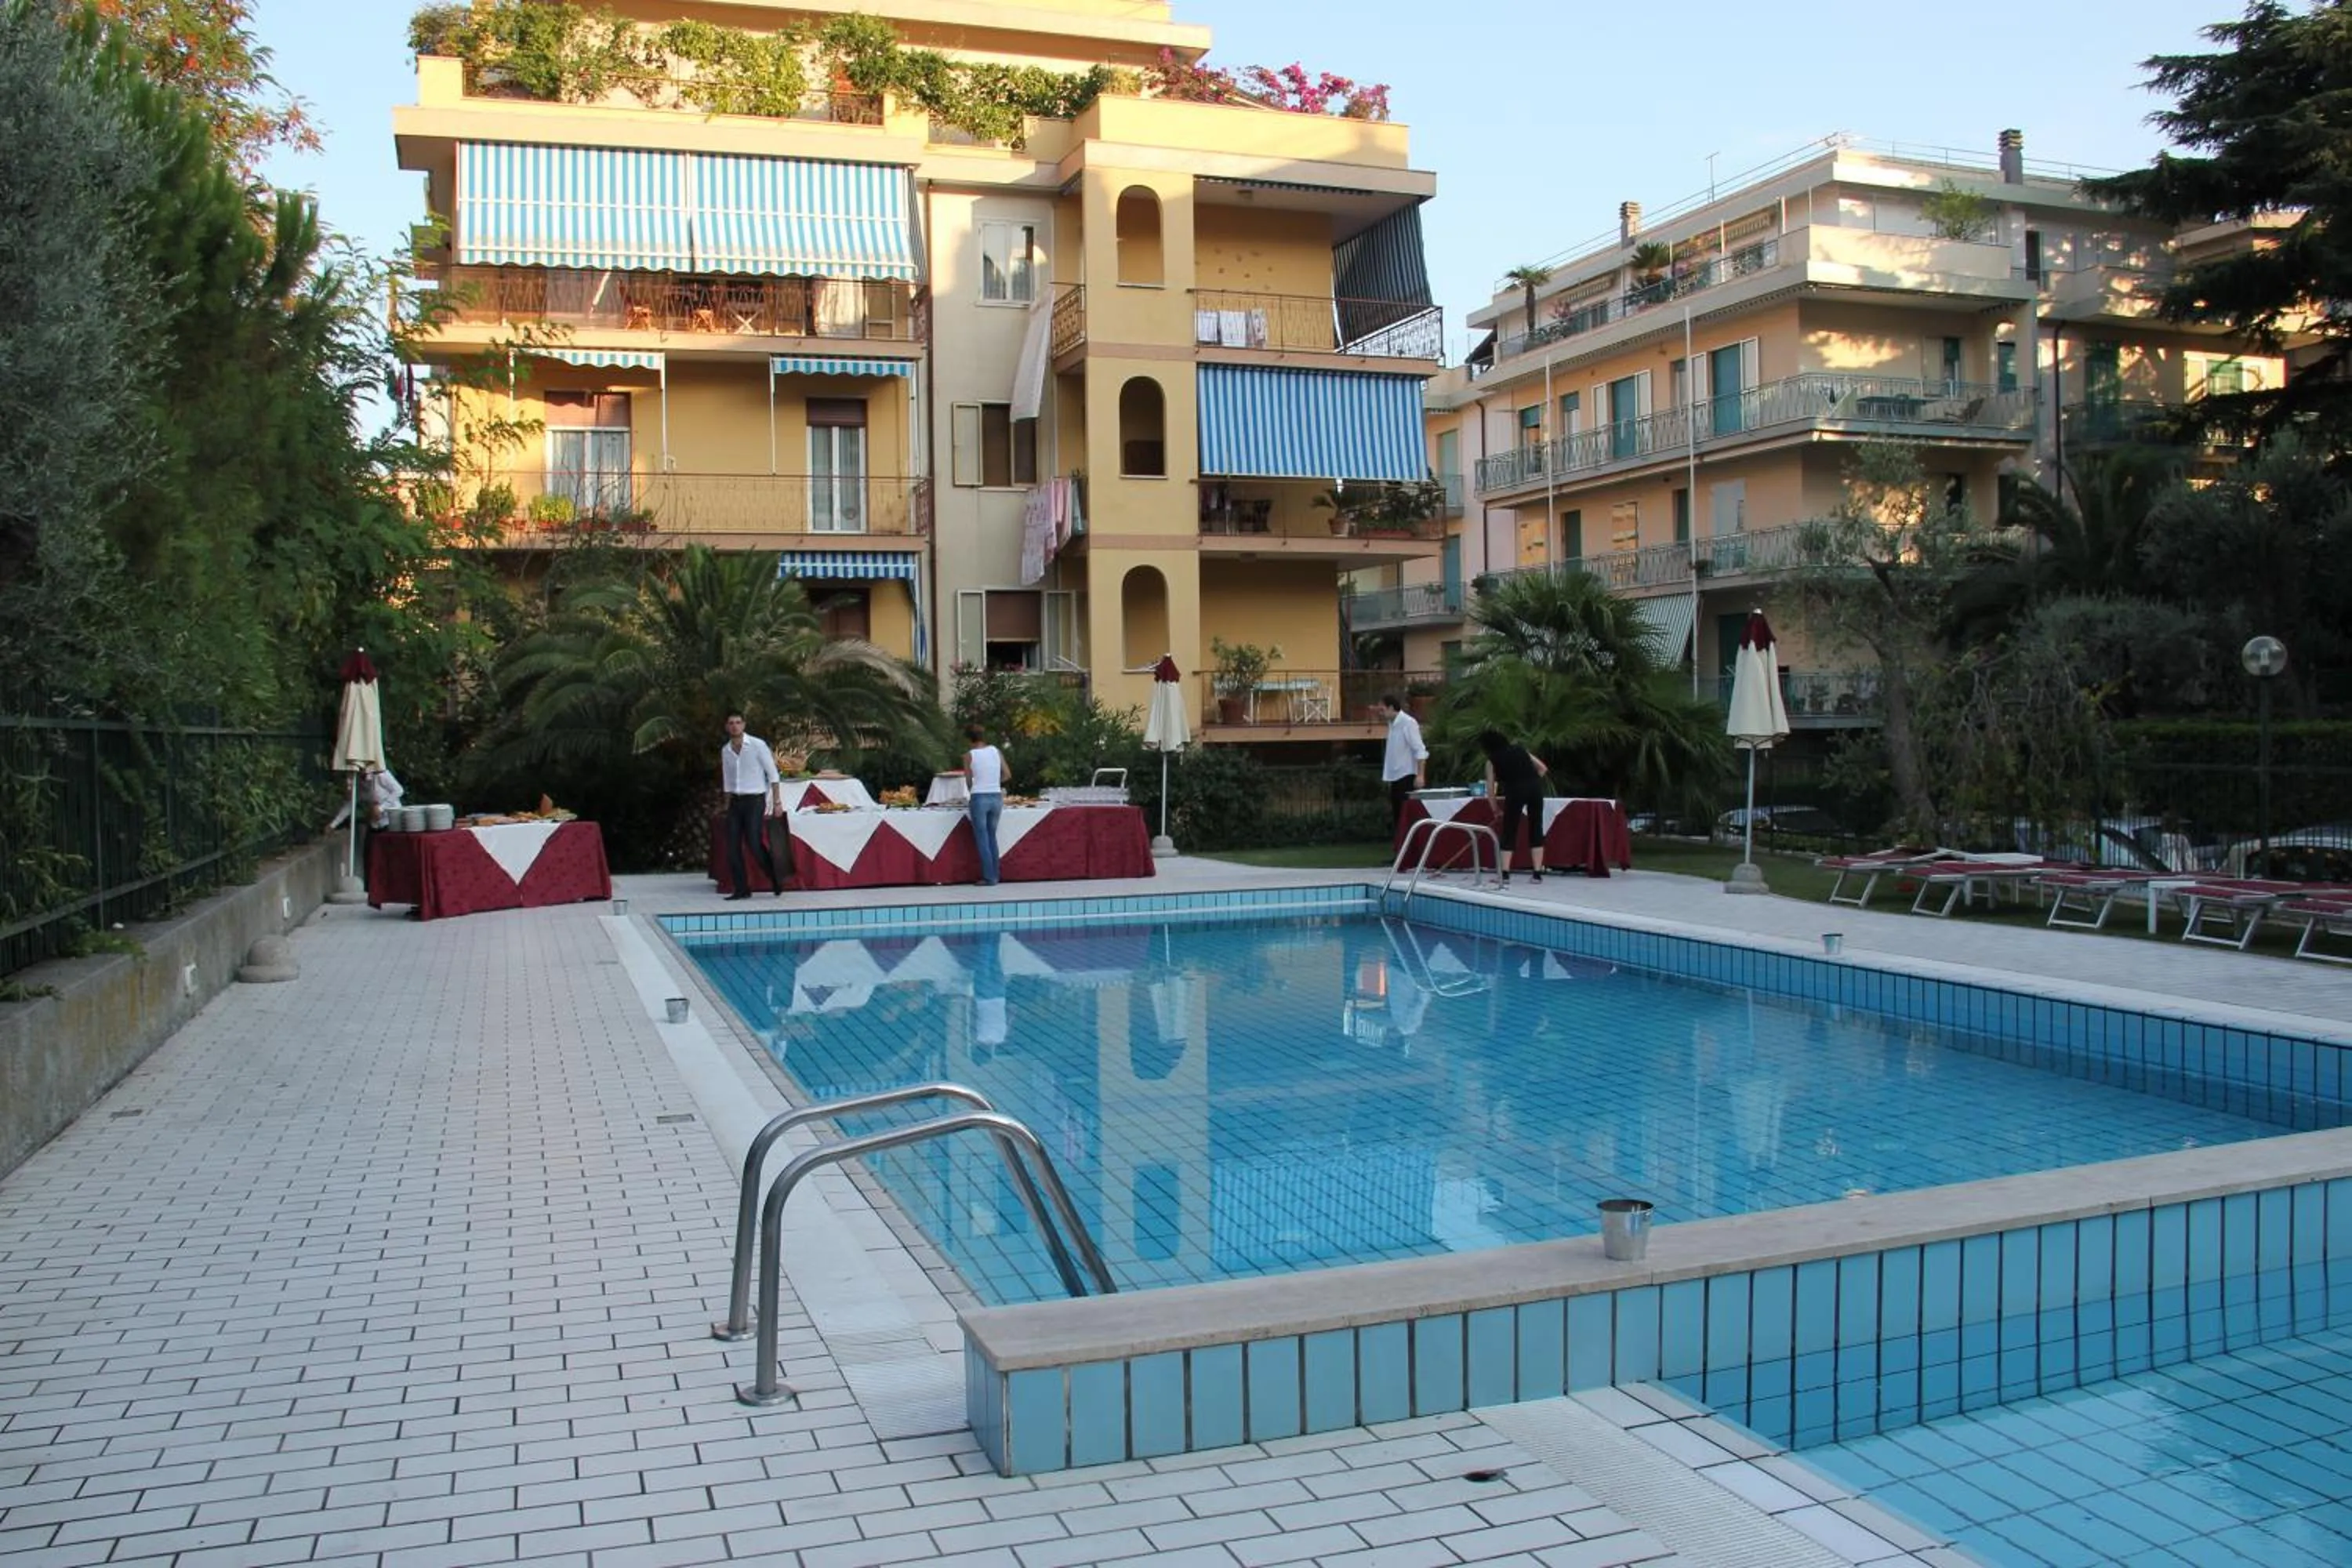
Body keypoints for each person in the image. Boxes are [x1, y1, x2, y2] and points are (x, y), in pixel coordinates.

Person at [720, 713, 785, 900]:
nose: (735, 726)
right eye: (731, 723)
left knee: (754, 843)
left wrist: (777, 802)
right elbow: (727, 780)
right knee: (732, 847)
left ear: (744, 725)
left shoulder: (757, 745)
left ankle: (775, 879)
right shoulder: (726, 750)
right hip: (735, 802)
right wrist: (726, 806)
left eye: (738, 723)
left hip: (755, 801)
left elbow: (773, 774)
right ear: (727, 727)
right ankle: (742, 888)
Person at [1478, 728, 1552, 885]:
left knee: (1510, 830)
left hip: (1515, 791)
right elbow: (1543, 768)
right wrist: (1531, 781)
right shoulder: (1520, 749)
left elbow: (1490, 789)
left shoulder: (1492, 761)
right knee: (1536, 827)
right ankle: (1537, 874)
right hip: (1535, 789)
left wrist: (1495, 809)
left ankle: (1505, 874)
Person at [964, 722, 1008, 886]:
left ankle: (989, 877)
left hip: (979, 797)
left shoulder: (969, 755)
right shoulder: (996, 751)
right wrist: (993, 782)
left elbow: (969, 782)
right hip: (996, 796)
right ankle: (995, 875)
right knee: (992, 836)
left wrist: (976, 786)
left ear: (969, 740)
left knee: (982, 838)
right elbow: (1007, 774)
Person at [1378, 694, 1428, 837]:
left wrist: (1420, 775)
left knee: (1406, 816)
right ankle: (1400, 852)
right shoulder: (1392, 725)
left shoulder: (1408, 723)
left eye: (1383, 710)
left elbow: (1419, 749)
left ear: (1391, 708)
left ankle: (1409, 852)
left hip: (1406, 776)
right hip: (1396, 776)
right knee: (1398, 817)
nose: (1381, 713)